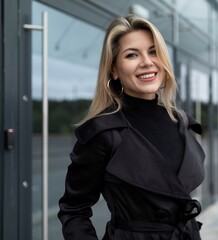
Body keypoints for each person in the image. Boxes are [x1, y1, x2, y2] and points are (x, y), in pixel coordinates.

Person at [58, 14, 205, 240]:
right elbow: (74, 210)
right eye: (132, 55)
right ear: (114, 71)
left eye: (153, 51)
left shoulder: (180, 121)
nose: (147, 61)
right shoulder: (103, 131)